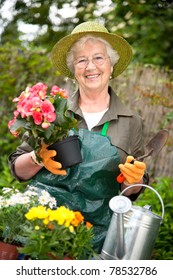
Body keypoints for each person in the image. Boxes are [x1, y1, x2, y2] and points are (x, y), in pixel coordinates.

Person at [9, 21, 148, 255]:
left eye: (98, 58)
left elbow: (131, 192)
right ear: (74, 70)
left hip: (97, 238)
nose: (90, 66)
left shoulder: (131, 121)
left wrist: (133, 180)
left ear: (111, 66)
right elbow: (17, 169)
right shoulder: (50, 111)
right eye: (81, 60)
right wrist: (37, 157)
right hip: (43, 233)